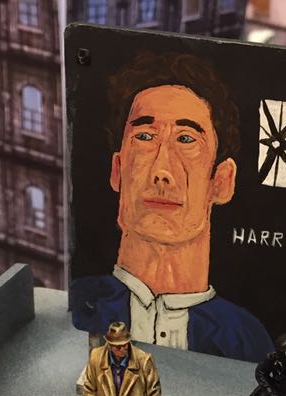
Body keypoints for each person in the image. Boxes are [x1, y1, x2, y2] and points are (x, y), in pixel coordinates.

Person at [69, 50, 272, 362]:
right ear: (118, 170)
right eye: (145, 136)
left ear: (221, 181)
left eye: (186, 139)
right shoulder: (80, 306)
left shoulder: (246, 339)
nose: (161, 170)